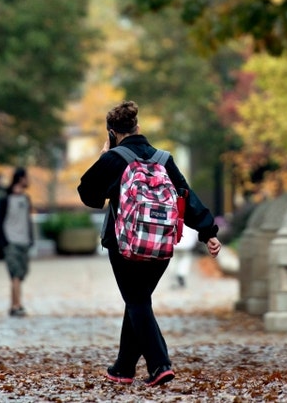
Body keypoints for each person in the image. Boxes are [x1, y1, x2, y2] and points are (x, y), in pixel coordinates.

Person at [78, 100, 222, 388]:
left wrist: (104, 158)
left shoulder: (114, 159)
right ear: (138, 127)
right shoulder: (163, 159)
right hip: (161, 245)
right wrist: (209, 232)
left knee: (137, 301)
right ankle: (123, 368)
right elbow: (186, 196)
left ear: (112, 132)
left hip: (123, 244)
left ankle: (160, 365)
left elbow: (88, 194)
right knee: (139, 301)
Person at [1, 167, 33, 317]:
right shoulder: (5, 198)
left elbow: (28, 221)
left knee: (20, 275)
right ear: (21, 178)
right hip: (11, 241)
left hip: (24, 241)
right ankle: (17, 305)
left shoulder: (26, 198)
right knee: (15, 273)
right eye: (26, 177)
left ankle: (13, 304)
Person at [172, 223, 199, 288]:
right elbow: (195, 232)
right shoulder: (190, 219)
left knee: (174, 260)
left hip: (175, 244)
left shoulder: (174, 217)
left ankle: (175, 274)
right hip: (187, 244)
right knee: (185, 259)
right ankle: (182, 273)